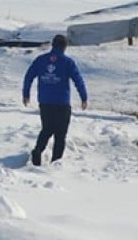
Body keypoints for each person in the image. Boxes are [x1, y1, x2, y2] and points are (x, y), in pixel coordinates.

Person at [22, 34, 88, 166]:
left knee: (46, 129)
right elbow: (78, 80)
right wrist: (84, 97)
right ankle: (55, 163)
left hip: (45, 103)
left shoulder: (41, 60)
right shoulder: (68, 62)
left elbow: (28, 76)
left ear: (53, 45)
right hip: (62, 104)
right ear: (65, 47)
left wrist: (26, 94)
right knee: (60, 134)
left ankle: (37, 151)